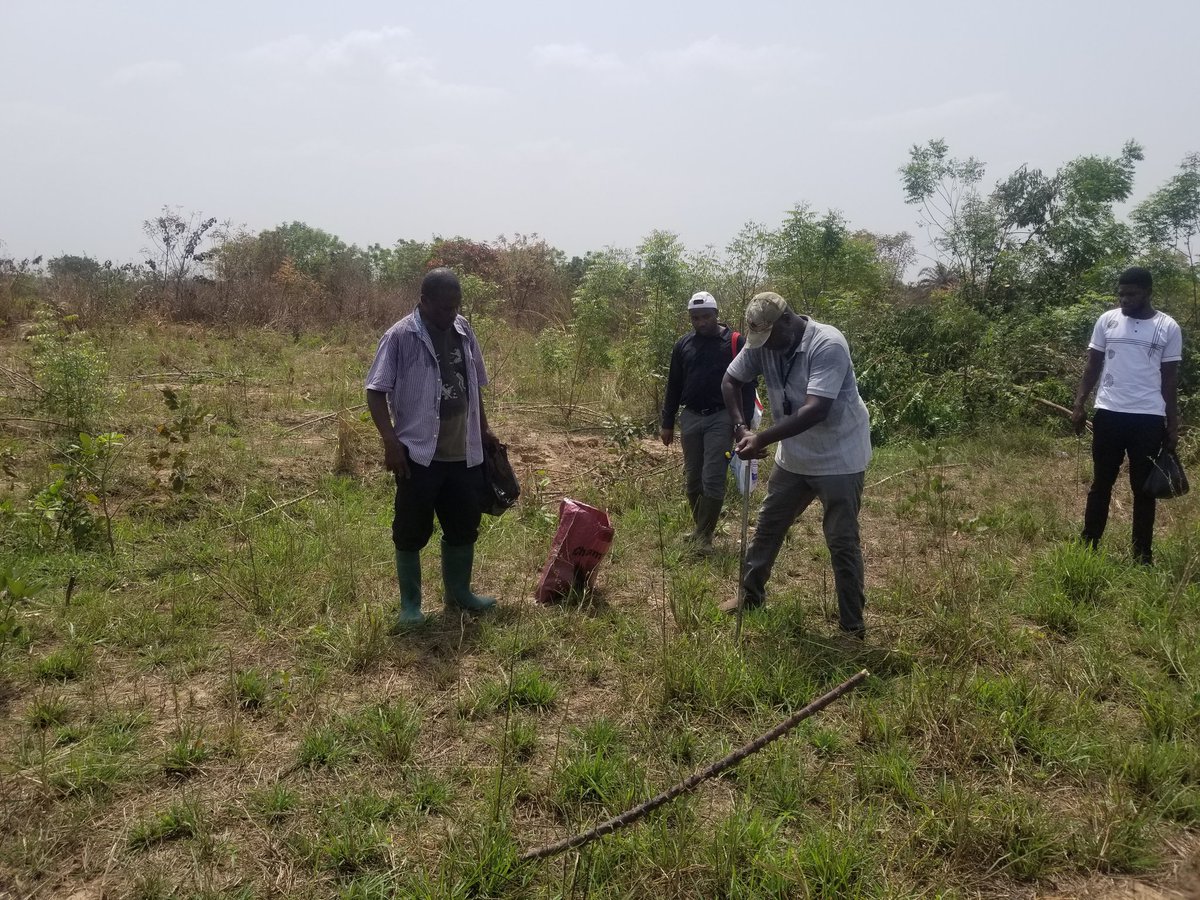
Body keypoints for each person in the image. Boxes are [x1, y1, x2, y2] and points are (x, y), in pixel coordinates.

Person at [719, 292, 873, 639]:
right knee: (768, 526)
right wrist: (742, 427)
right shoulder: (763, 341)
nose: (765, 347)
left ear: (787, 321)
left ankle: (852, 628)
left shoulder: (828, 344)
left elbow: (816, 409)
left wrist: (762, 439)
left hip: (840, 457)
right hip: (794, 456)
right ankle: (749, 597)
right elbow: (731, 380)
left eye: (770, 338)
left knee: (841, 540)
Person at [365, 267, 499, 627]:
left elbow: (474, 385)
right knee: (410, 530)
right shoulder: (400, 336)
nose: (450, 314)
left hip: (463, 452)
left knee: (463, 524)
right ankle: (410, 606)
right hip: (419, 454)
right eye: (443, 308)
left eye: (456, 306)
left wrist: (483, 431)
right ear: (423, 301)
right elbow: (375, 391)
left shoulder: (463, 330)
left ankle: (460, 594)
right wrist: (390, 443)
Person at [1071, 267, 1181, 565]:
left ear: (1147, 292)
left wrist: (1173, 422)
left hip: (1147, 418)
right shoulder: (1107, 321)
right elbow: (1092, 366)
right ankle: (1089, 545)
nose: (1124, 299)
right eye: (1121, 293)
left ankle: (1142, 556)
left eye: (1131, 294)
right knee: (1101, 483)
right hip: (1108, 414)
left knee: (1143, 489)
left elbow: (1169, 379)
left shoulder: (1167, 327)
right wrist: (1080, 404)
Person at [660, 291, 757, 553]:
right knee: (692, 479)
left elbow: (747, 387)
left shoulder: (736, 342)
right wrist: (667, 421)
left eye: (705, 317)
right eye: (695, 318)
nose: (700, 322)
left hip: (721, 417)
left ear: (716, 315)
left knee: (712, 476)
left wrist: (744, 427)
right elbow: (674, 385)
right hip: (691, 416)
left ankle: (704, 538)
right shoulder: (683, 345)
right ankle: (700, 529)